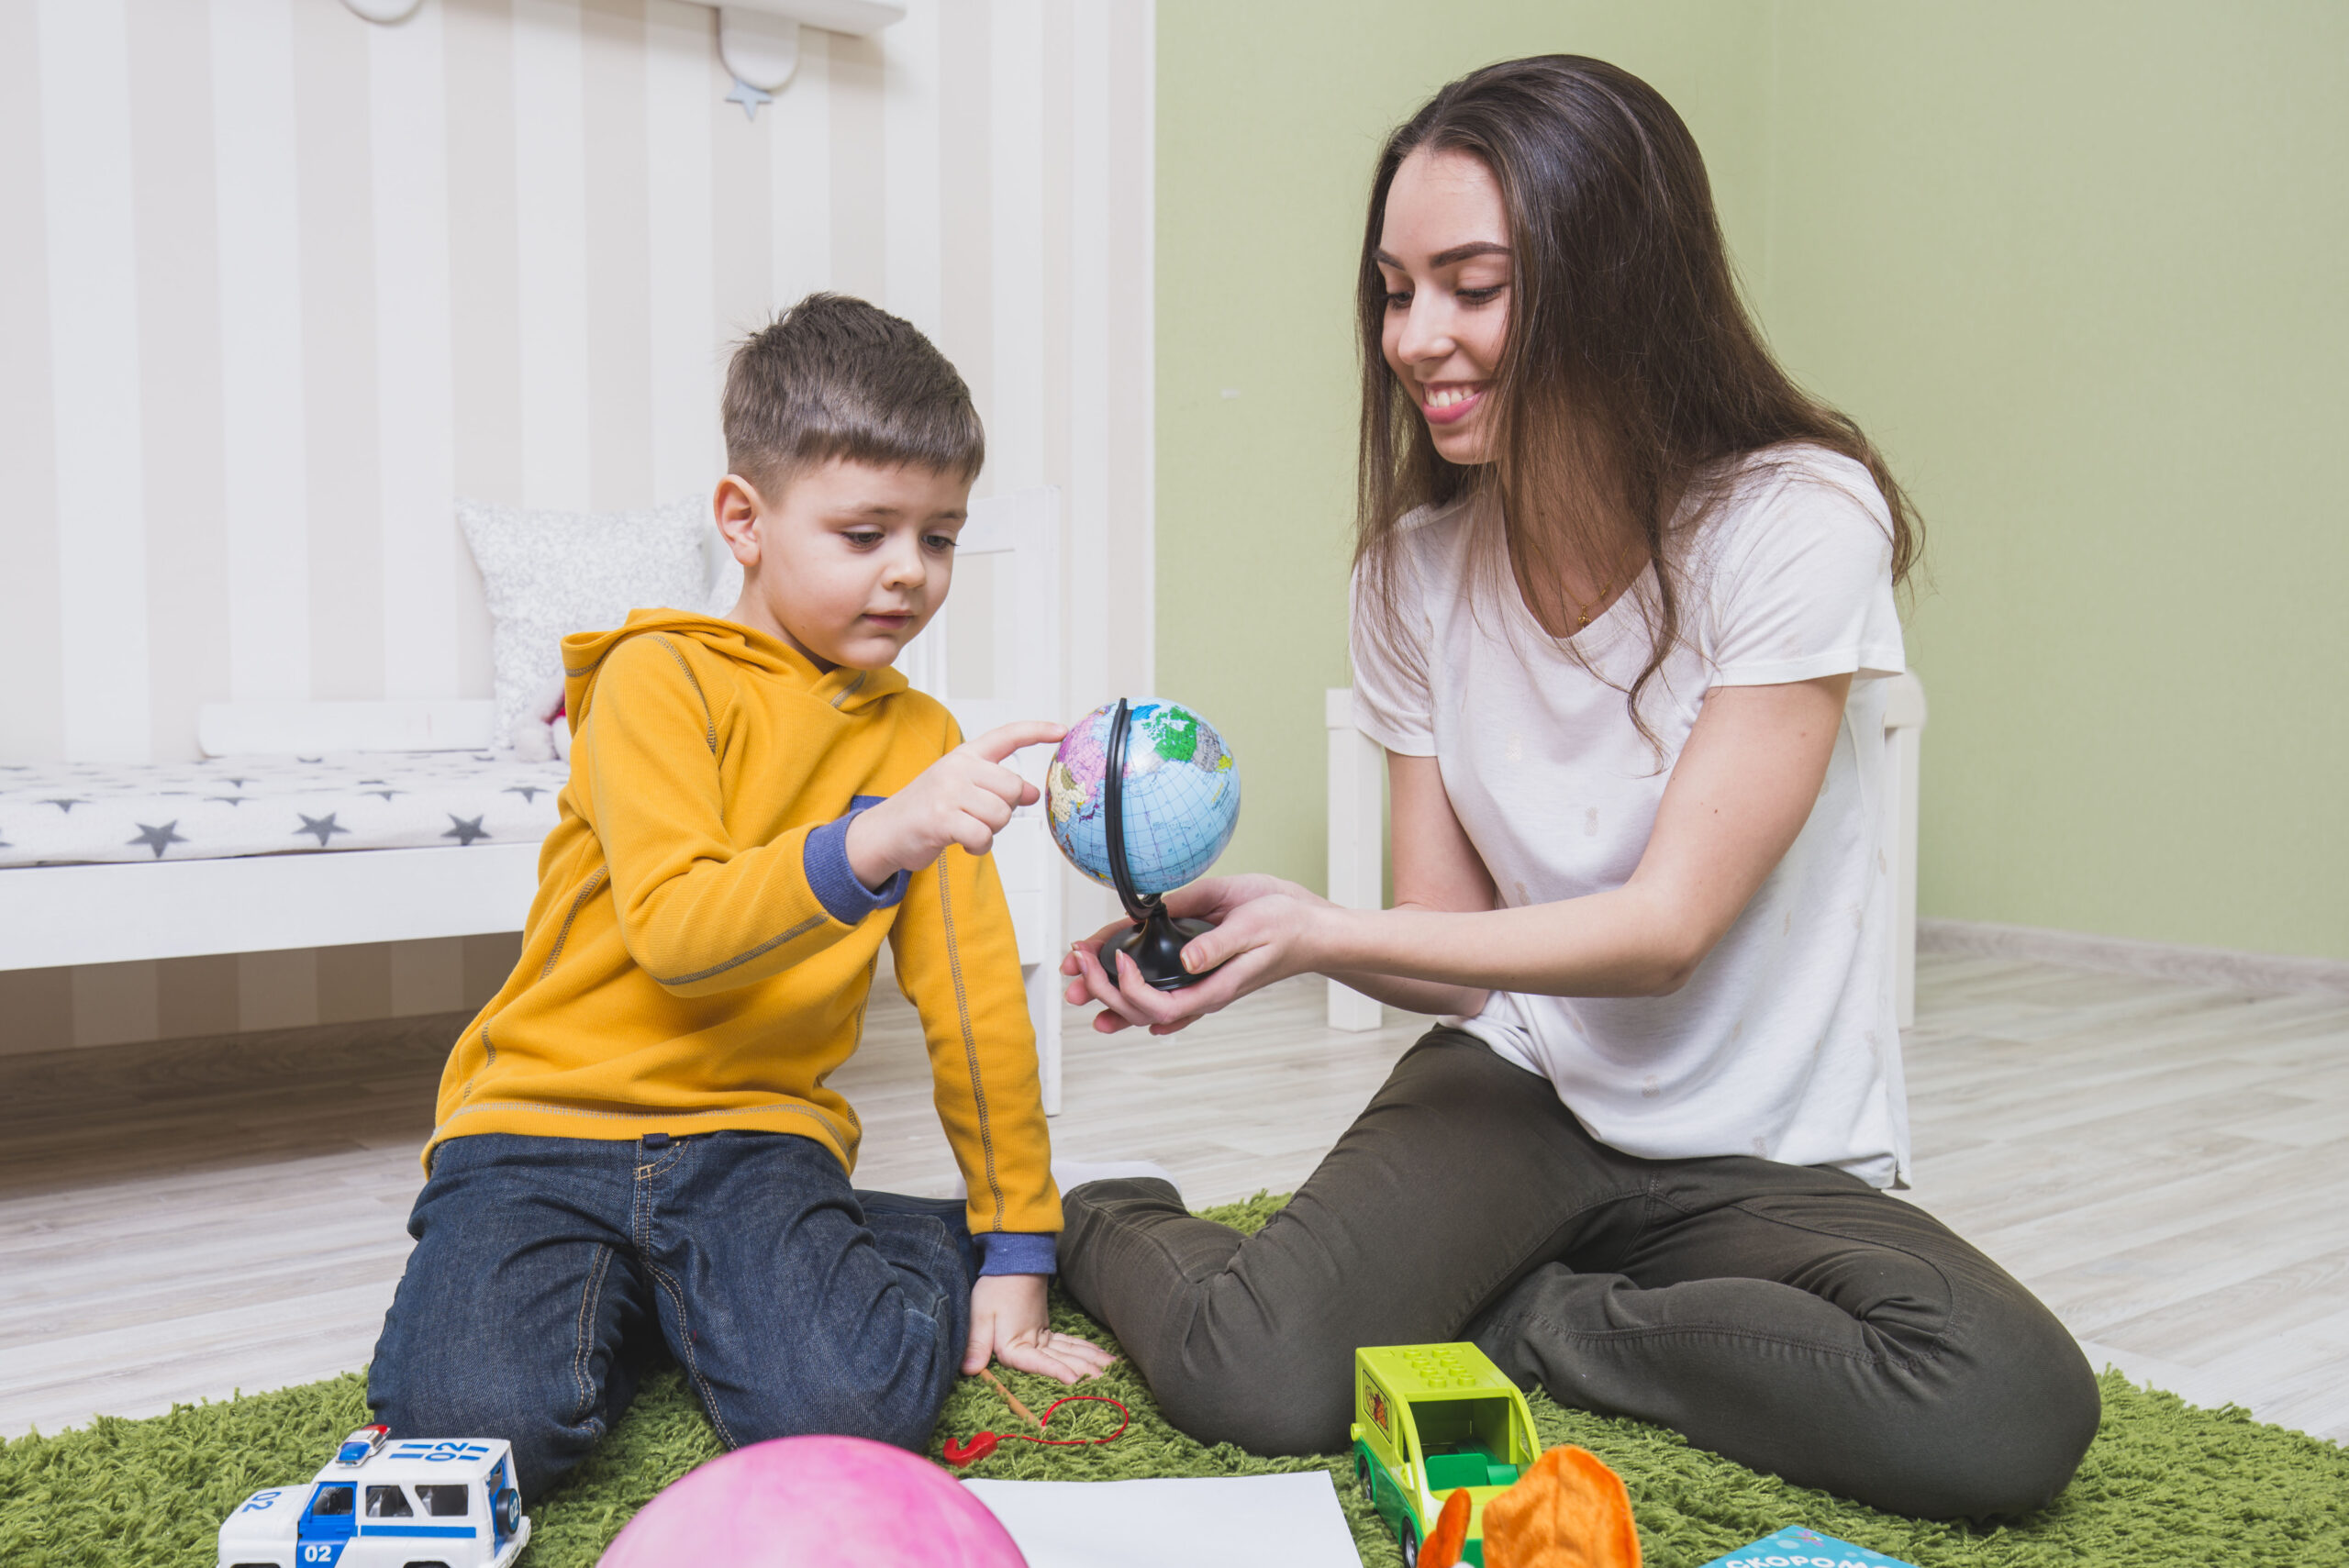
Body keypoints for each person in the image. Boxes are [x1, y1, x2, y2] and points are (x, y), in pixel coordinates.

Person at [1054, 58, 2099, 1520]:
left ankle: (1522, 1319)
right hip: (1525, 1091)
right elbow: (1446, 944)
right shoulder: (1412, 576)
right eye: (1395, 290)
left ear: (1615, 277)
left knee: (2002, 1402)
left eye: (1472, 286)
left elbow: (1665, 926)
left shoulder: (1797, 517)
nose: (1420, 338)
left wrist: (1321, 929)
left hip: (1759, 1155)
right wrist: (1293, 931)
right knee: (1252, 1378)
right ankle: (1100, 1211)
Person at [370, 293, 1111, 1498]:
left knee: (850, 1416)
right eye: (865, 532)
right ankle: (702, 1288)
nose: (909, 573)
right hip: (538, 1127)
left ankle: (892, 1245)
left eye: (939, 537)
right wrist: (877, 837)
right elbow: (677, 929)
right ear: (743, 519)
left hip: (755, 1136)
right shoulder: (652, 679)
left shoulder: (924, 745)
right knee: (473, 1429)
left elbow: (974, 1005)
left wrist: (1017, 1242)